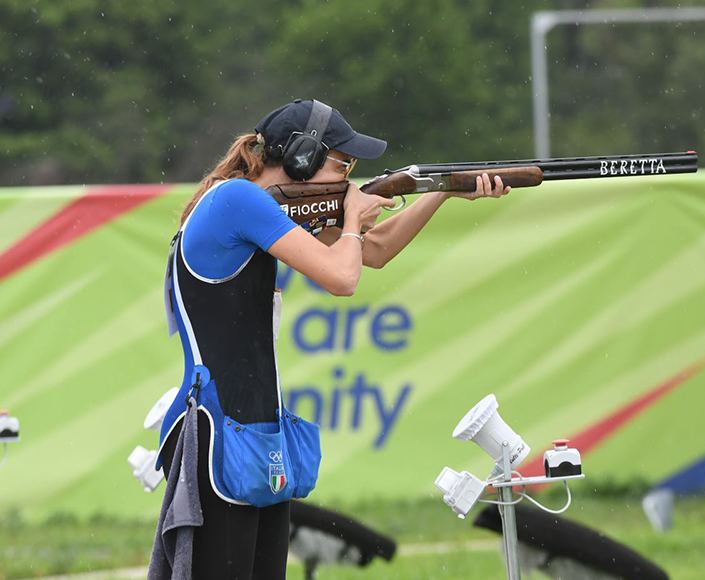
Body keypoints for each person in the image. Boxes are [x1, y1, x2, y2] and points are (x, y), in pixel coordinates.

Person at [152, 98, 510, 579]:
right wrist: (354, 221)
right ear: (301, 158)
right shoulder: (237, 200)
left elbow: (374, 252)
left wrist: (440, 192)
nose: (350, 179)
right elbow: (343, 277)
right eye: (343, 164)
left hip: (257, 434)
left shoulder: (253, 207)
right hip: (218, 433)